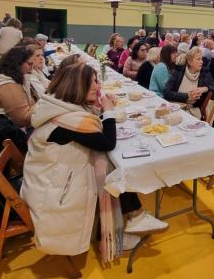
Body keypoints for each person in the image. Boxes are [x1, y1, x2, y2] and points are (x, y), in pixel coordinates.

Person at [22, 63, 167, 257]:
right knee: (112, 169)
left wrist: (101, 110)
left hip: (49, 176)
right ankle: (126, 223)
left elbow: (93, 133)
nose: (98, 87)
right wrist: (108, 111)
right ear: (77, 87)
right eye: (94, 83)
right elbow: (107, 143)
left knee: (111, 166)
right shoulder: (67, 121)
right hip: (52, 191)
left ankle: (134, 216)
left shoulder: (58, 106)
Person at [163, 47, 214, 118]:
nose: (202, 61)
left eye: (201, 59)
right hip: (175, 108)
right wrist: (187, 96)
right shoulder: (179, 71)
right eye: (198, 59)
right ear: (189, 62)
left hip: (193, 111)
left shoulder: (204, 73)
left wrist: (205, 88)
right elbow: (166, 92)